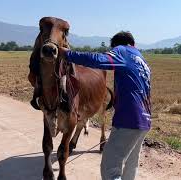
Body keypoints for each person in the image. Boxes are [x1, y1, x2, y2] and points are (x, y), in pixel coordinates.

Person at [58, 31, 151, 180]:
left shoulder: (122, 51)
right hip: (145, 120)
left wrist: (68, 54)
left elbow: (99, 59)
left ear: (116, 45)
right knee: (130, 166)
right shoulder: (142, 60)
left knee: (110, 169)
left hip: (128, 120)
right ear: (134, 44)